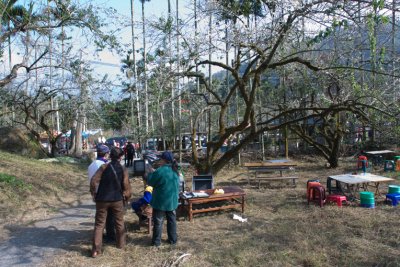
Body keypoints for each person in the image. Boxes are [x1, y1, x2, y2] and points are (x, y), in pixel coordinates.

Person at [90, 147, 132, 258]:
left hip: (102, 200)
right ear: (120, 157)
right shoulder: (123, 169)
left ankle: (96, 250)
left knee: (99, 224)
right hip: (117, 199)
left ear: (110, 156)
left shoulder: (103, 167)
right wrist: (127, 198)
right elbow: (126, 186)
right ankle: (121, 245)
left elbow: (94, 181)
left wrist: (94, 194)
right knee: (119, 222)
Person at [146, 151, 180, 247]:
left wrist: (150, 173)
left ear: (164, 160)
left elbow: (150, 182)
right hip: (172, 201)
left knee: (158, 221)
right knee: (172, 221)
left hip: (160, 201)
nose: (159, 160)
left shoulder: (160, 171)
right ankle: (173, 240)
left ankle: (156, 242)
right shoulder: (176, 169)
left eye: (160, 158)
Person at [87, 145, 115, 243]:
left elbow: (91, 181)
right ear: (106, 154)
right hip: (107, 194)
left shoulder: (91, 165)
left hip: (97, 194)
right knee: (109, 216)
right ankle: (110, 236)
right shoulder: (105, 165)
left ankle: (98, 237)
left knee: (99, 218)